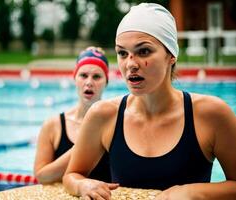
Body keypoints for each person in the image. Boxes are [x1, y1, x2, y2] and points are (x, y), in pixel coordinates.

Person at [63, 3, 236, 200]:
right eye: (122, 53)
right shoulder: (103, 115)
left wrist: (193, 192)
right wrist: (82, 185)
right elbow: (71, 175)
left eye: (143, 51)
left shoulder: (210, 114)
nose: (130, 64)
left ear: (171, 55)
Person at [34, 46, 111, 184]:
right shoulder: (53, 125)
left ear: (106, 82)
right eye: (83, 75)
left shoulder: (115, 124)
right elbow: (42, 176)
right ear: (75, 78)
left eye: (97, 77)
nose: (89, 82)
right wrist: (84, 144)